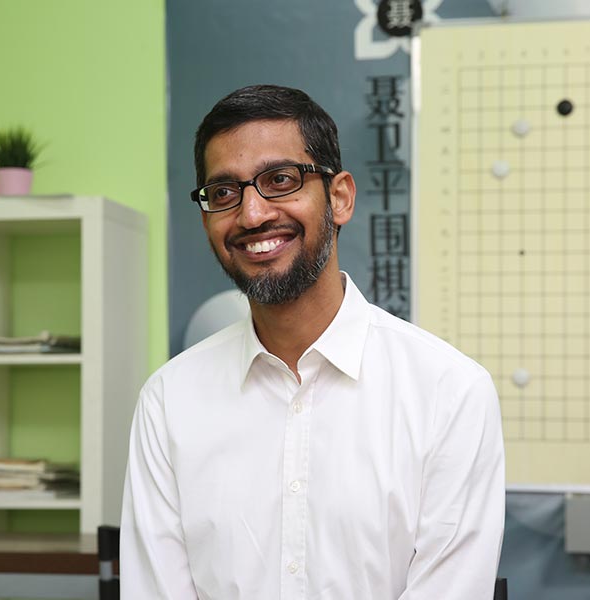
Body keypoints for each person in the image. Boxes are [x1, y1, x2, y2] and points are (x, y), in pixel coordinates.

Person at [120, 84, 505, 599]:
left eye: (280, 180)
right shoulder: (169, 401)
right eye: (224, 193)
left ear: (339, 197)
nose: (252, 215)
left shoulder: (448, 392)